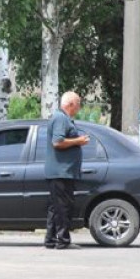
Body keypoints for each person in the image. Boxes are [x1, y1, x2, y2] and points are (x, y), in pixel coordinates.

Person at [44, 91, 90, 249]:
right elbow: (57, 142)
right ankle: (63, 241)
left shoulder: (62, 118)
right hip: (61, 172)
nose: (79, 108)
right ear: (70, 104)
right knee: (63, 207)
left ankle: (50, 240)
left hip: (61, 172)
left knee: (55, 207)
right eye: (78, 104)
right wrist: (79, 140)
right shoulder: (60, 118)